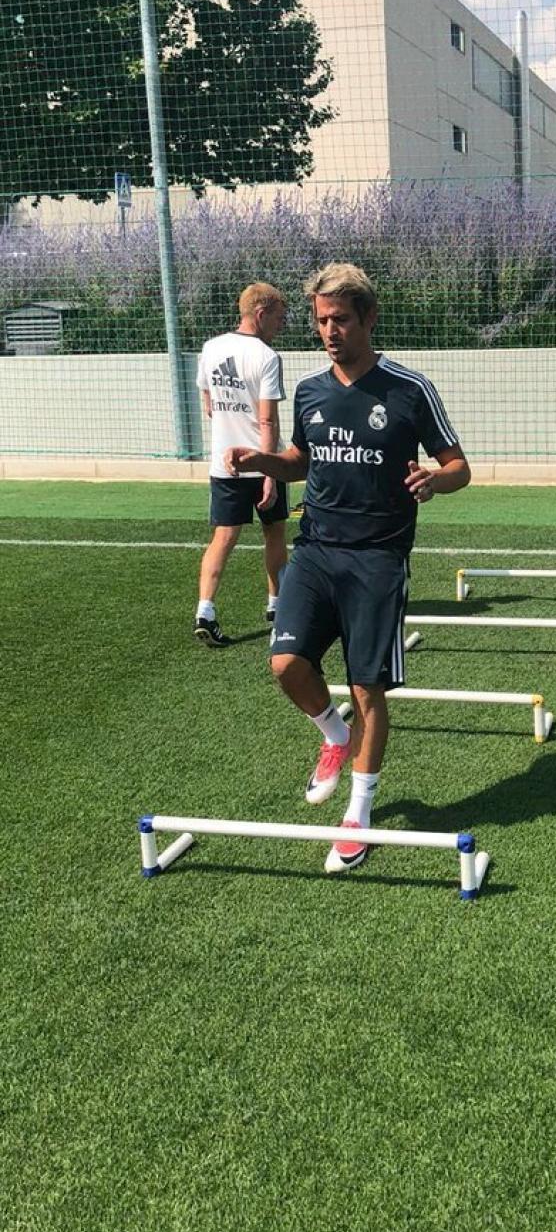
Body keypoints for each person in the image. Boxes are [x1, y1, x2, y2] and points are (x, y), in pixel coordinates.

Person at [224, 262, 470, 872]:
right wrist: (266, 461)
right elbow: (301, 461)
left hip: (379, 560)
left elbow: (460, 465)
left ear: (368, 319)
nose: (329, 331)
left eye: (340, 320)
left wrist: (436, 481)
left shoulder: (409, 389)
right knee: (285, 664)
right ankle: (334, 737)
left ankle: (358, 814)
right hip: (315, 550)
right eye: (320, 321)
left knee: (368, 687)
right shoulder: (309, 391)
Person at [194, 281, 289, 647]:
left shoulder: (211, 347)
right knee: (275, 532)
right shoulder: (266, 357)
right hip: (262, 461)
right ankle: (277, 607)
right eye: (278, 319)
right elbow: (268, 422)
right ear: (261, 314)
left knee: (223, 537)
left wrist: (224, 422)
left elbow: (206, 396)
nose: (280, 326)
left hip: (225, 464)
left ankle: (205, 610)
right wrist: (268, 472)